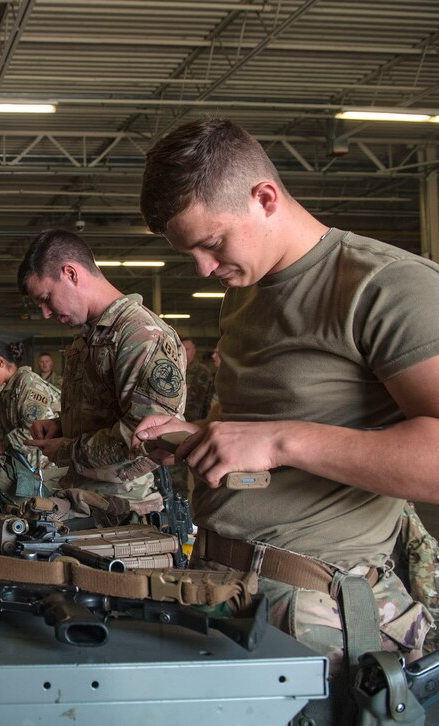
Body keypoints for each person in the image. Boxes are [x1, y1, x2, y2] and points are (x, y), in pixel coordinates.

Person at [133, 118, 435, 725]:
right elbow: (251, 426)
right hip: (224, 588)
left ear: (265, 198)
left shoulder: (384, 286)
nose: (201, 267)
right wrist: (201, 440)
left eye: (212, 243)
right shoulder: (245, 289)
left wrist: (279, 441)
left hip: (316, 614)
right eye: (188, 251)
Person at [19, 228, 187, 507]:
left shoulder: (140, 334)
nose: (45, 313)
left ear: (71, 274)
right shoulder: (90, 337)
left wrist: (66, 449)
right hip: (86, 496)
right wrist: (61, 426)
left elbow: (146, 436)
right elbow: (103, 412)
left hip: (125, 506)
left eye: (46, 298)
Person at [0, 340, 61, 498]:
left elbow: (32, 433)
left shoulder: (29, 386)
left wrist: (4, 444)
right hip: (25, 465)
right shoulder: (9, 390)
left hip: (43, 470)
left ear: (0, 362)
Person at [180, 339, 214, 423]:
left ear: (194, 351)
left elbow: (206, 401)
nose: (183, 353)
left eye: (187, 349)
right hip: (176, 420)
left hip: (194, 422)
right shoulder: (176, 369)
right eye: (181, 349)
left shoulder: (202, 372)